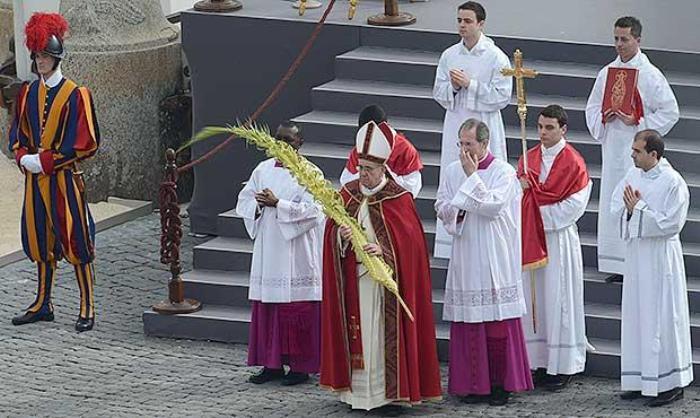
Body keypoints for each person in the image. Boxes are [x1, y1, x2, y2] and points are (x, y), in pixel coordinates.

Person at [321, 120, 442, 412]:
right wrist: (341, 237)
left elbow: (412, 248)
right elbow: (330, 234)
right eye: (360, 168)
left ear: (383, 169)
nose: (362, 175)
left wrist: (385, 252)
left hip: (383, 285)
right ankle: (356, 394)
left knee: (379, 339)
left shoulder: (398, 198)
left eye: (368, 170)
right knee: (358, 334)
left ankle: (386, 395)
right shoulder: (348, 194)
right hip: (355, 281)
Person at [8, 13, 100, 332]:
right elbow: (16, 136)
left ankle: (87, 304)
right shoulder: (27, 93)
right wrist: (22, 157)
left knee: (76, 240)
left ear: (56, 56)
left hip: (63, 180)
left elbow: (86, 143)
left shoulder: (77, 94)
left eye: (44, 55)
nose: (39, 60)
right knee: (39, 240)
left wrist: (45, 162)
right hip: (36, 181)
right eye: (36, 55)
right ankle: (42, 302)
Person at [435, 118, 532, 406]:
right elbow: (442, 204)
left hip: (494, 255)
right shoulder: (453, 170)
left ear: (484, 143)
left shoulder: (503, 171)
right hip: (466, 252)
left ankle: (501, 385)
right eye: (460, 144)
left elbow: (492, 207)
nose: (464, 151)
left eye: (469, 144)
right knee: (469, 322)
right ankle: (472, 385)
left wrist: (471, 179)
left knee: (496, 324)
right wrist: (458, 208)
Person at [585, 16, 679, 282]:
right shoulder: (606, 73)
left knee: (636, 197)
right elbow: (591, 107)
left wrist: (639, 122)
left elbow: (671, 112)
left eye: (624, 39)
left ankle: (634, 263)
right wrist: (603, 116)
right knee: (613, 201)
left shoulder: (650, 75)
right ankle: (617, 264)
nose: (619, 44)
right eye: (615, 39)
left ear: (638, 40)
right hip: (613, 146)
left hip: (638, 150)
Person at [235, 121, 324, 386]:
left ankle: (300, 367)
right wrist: (259, 205)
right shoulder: (262, 169)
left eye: (289, 141)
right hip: (269, 249)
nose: (282, 146)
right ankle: (271, 364)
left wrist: (279, 204)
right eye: (279, 140)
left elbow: (317, 211)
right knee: (269, 307)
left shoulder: (311, 173)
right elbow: (244, 199)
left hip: (297, 253)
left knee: (297, 308)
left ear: (300, 144)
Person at [611, 129, 692, 407]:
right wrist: (630, 211)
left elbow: (672, 223)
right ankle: (639, 379)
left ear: (653, 154)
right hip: (636, 257)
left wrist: (640, 209)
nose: (632, 154)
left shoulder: (674, 182)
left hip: (661, 259)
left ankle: (670, 384)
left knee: (663, 317)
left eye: (637, 151)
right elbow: (615, 207)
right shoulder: (632, 175)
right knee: (636, 315)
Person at [517, 105, 592, 390]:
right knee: (537, 299)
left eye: (549, 128)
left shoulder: (573, 162)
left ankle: (564, 365)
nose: (542, 133)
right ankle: (538, 361)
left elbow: (574, 206)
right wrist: (522, 192)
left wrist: (536, 212)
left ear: (563, 129)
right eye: (539, 127)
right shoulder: (528, 158)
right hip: (533, 239)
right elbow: (517, 200)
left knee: (560, 299)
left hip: (558, 239)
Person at [432, 1, 512, 258]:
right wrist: (454, 88)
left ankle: (489, 234)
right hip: (456, 122)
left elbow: (502, 97)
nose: (462, 26)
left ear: (481, 24)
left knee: (485, 176)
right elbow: (438, 92)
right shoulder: (449, 55)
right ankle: (451, 236)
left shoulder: (495, 56)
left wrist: (471, 84)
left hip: (484, 125)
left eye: (467, 21)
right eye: (459, 20)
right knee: (453, 173)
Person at [339, 104, 423, 198]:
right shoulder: (361, 147)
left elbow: (413, 187)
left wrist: (383, 177)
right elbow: (345, 181)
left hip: (394, 205)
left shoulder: (405, 150)